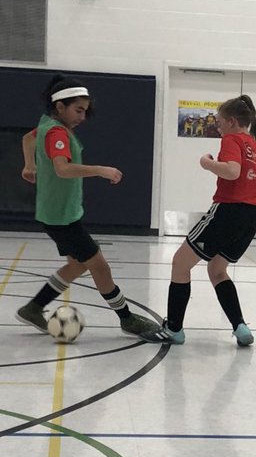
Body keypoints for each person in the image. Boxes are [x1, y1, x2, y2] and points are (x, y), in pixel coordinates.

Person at [16, 75, 158, 338]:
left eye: (85, 111)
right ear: (60, 107)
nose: (82, 116)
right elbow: (62, 169)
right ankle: (126, 319)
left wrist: (29, 165)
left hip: (57, 213)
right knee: (100, 266)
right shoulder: (57, 132)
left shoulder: (47, 125)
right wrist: (100, 170)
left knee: (78, 265)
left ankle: (33, 308)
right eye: (77, 110)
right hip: (61, 217)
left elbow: (27, 138)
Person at [140, 95, 256, 346]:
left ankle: (174, 329)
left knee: (180, 263)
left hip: (227, 212)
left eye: (220, 122)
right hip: (252, 216)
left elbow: (232, 171)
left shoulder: (231, 139)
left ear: (232, 122)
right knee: (217, 270)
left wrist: (208, 163)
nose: (218, 127)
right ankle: (240, 327)